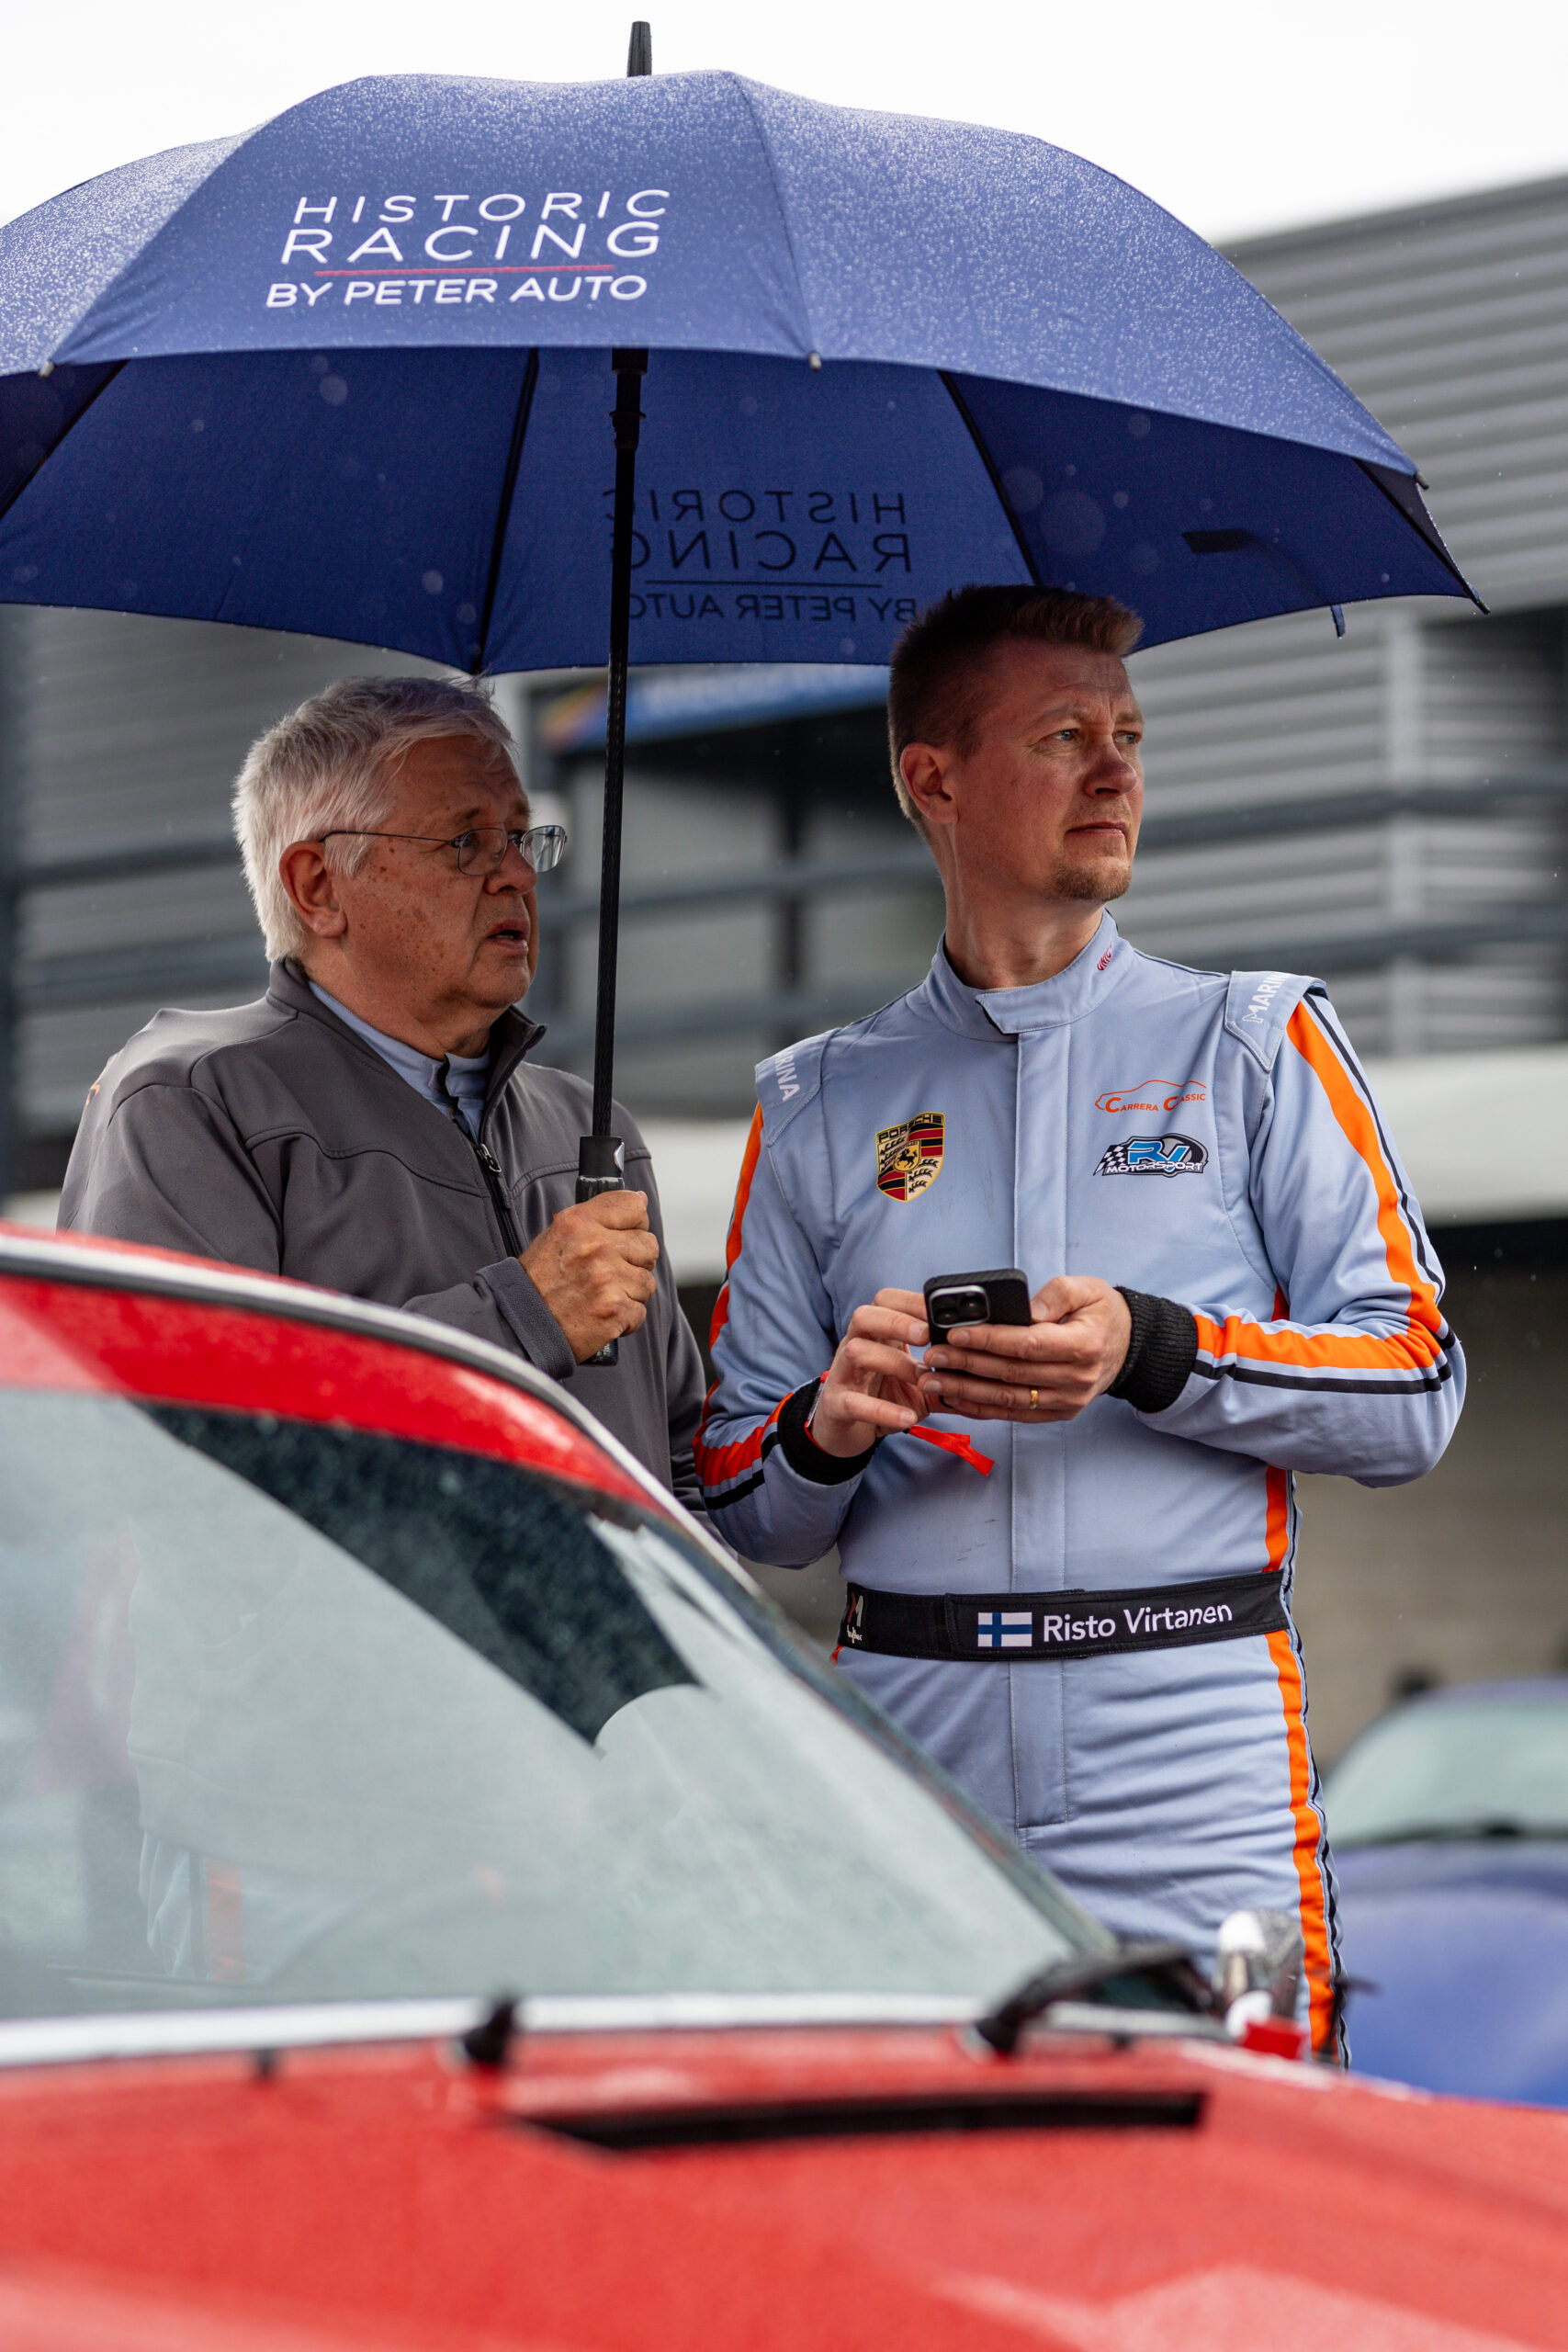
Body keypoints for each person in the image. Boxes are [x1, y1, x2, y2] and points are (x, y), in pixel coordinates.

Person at [695, 585, 1464, 2051]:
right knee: (923, 2174)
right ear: (932, 779)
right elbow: (742, 1503)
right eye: (1063, 737)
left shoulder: (1256, 1041)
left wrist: (1149, 1348)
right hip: (911, 1762)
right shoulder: (814, 1100)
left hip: (1191, 1763)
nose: (1114, 771)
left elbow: (1416, 1388)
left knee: (1249, 2169)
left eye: (1127, 736)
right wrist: (827, 1427)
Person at [61, 674, 705, 1505]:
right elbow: (183, 1450)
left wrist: (817, 1443)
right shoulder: (190, 1101)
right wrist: (519, 1318)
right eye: (466, 841)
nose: (517, 873)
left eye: (521, 835)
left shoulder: (589, 1126)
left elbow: (683, 1474)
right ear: (318, 888)